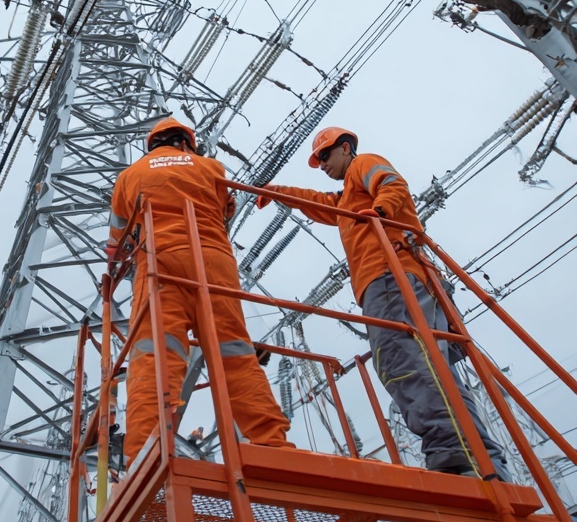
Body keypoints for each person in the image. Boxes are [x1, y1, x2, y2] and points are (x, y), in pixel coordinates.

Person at [256, 126, 510, 480]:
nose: (322, 165)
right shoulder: (347, 197)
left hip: (390, 275)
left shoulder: (364, 165)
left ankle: (455, 458)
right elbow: (319, 203)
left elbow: (391, 184)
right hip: (398, 278)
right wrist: (277, 191)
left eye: (325, 156)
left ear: (345, 148)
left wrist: (381, 212)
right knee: (434, 365)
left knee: (400, 359)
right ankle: (482, 461)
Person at [108, 117, 293, 468]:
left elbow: (116, 245)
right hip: (213, 261)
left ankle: (143, 456)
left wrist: (117, 265)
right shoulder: (211, 166)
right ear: (186, 143)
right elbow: (225, 213)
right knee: (234, 352)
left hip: (159, 263)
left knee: (156, 357)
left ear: (153, 145)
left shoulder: (129, 176)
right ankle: (273, 446)